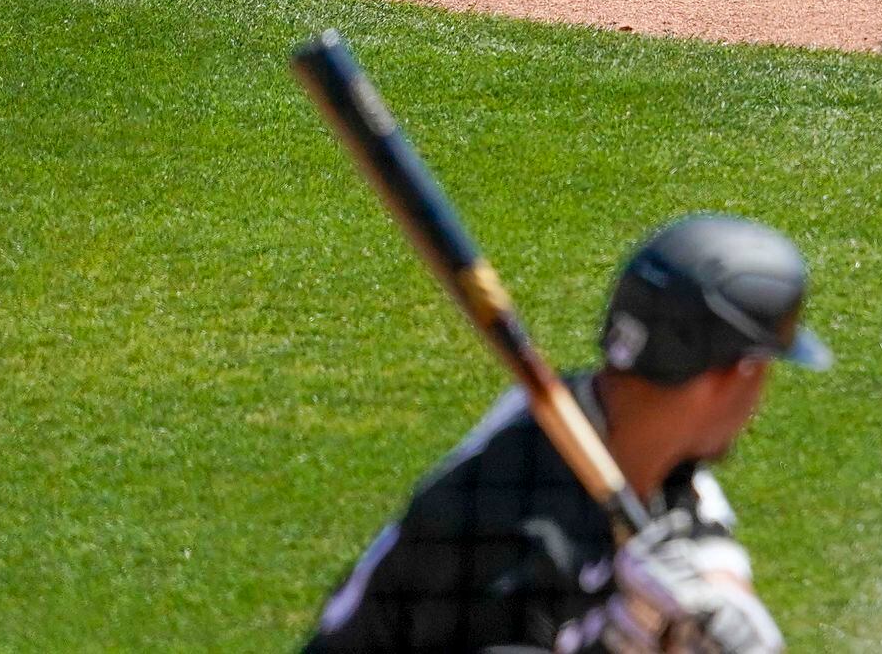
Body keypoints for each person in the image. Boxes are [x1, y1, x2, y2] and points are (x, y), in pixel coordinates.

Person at [304, 216, 831, 654]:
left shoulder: (614, 426)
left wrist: (722, 605)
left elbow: (697, 523)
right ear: (742, 373)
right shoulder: (512, 535)